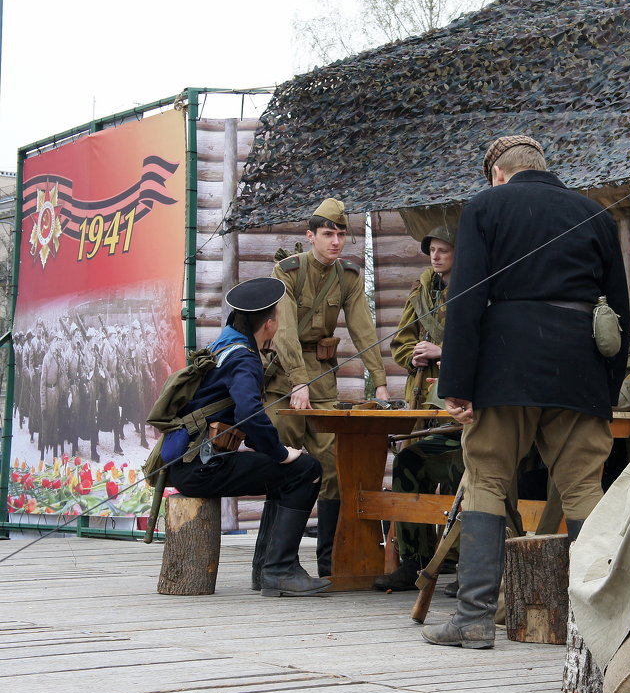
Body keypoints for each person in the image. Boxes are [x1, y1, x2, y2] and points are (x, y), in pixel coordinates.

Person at [422, 135, 630, 649]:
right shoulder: (596, 215)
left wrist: (457, 386)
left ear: (498, 173)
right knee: (584, 486)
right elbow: (620, 313)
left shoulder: (485, 206)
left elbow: (466, 299)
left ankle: (472, 619)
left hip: (504, 368)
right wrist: (606, 388)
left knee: (487, 477)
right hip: (579, 369)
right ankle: (593, 624)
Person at [165, 277, 329, 597]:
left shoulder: (224, 343)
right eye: (278, 318)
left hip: (190, 464)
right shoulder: (242, 356)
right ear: (268, 325)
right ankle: (279, 569)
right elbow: (248, 412)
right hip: (203, 468)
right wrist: (280, 453)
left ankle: (268, 569)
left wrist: (272, 450)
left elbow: (241, 416)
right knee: (307, 470)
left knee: (288, 472)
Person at [267, 198, 391, 579]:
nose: (336, 241)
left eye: (340, 235)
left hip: (321, 375)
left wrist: (381, 382)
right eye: (327, 234)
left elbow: (362, 329)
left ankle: (328, 562)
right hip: (282, 377)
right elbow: (284, 329)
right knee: (284, 459)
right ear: (310, 237)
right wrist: (297, 380)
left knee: (333, 466)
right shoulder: (286, 271)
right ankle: (273, 563)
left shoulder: (348, 276)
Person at [374, 224, 464, 592]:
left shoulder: (477, 287)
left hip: (469, 412)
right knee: (409, 461)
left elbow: (491, 347)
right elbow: (400, 343)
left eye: (444, 249)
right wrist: (416, 356)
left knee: (465, 468)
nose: (436, 256)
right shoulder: (424, 289)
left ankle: (464, 563)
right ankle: (413, 560)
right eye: (432, 250)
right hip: (427, 403)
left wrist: (446, 353)